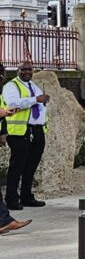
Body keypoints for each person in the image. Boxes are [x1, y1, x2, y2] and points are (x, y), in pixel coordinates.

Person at [2, 62, 49, 210]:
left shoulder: (34, 86)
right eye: (24, 70)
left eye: (30, 69)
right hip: (19, 131)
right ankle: (11, 199)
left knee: (31, 165)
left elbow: (40, 105)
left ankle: (26, 195)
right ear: (18, 71)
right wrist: (36, 100)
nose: (27, 72)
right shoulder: (11, 86)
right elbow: (13, 103)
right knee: (17, 165)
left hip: (36, 131)